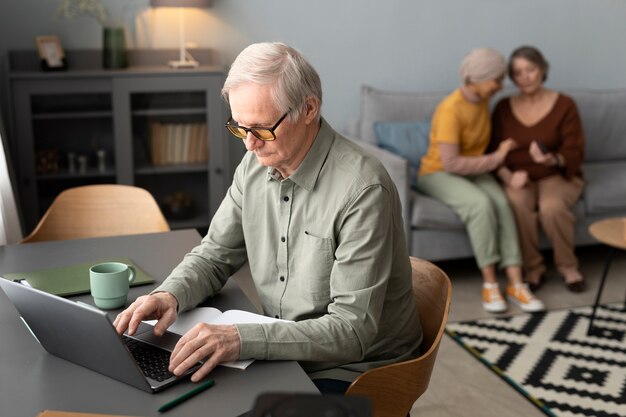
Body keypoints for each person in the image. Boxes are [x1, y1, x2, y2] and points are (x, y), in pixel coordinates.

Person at [113, 42, 421, 394]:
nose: (249, 144)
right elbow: (215, 253)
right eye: (240, 128)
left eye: (260, 129)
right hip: (286, 348)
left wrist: (241, 339)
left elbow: (351, 332)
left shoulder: (363, 190)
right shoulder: (255, 165)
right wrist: (170, 294)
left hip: (357, 369)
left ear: (308, 109)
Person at [417, 47, 544, 313]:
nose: (501, 85)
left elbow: (478, 153)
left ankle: (516, 283)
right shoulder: (451, 110)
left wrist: (500, 167)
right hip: (438, 172)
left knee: (501, 201)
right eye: (496, 80)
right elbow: (451, 162)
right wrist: (498, 158)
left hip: (474, 170)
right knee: (480, 204)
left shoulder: (482, 100)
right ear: (476, 79)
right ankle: (490, 284)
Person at [491, 45, 585, 292]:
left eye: (530, 70)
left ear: (542, 69)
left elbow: (575, 150)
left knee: (551, 208)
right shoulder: (502, 108)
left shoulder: (565, 105)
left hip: (556, 174)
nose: (525, 77)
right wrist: (509, 177)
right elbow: (492, 151)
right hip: (517, 177)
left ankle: (568, 267)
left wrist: (550, 160)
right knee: (518, 205)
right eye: (518, 72)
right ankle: (534, 269)